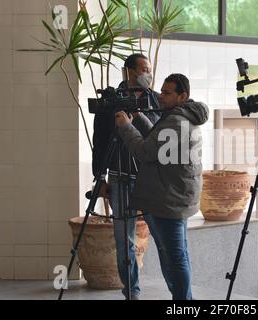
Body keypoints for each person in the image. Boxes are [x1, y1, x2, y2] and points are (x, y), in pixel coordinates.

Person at [115, 73, 209, 300]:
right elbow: (158, 141)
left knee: (175, 257)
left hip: (169, 198)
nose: (160, 96)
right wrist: (138, 118)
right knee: (175, 254)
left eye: (167, 93)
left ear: (182, 95)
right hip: (173, 194)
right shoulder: (183, 115)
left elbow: (145, 151)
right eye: (162, 90)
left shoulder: (177, 121)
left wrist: (126, 127)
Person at [92, 53, 160, 300]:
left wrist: (135, 120)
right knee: (124, 243)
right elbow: (99, 142)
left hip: (150, 179)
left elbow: (157, 136)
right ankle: (131, 293)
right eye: (144, 69)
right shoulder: (112, 100)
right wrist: (98, 178)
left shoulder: (156, 100)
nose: (148, 75)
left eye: (149, 69)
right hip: (119, 178)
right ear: (130, 72)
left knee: (161, 237)